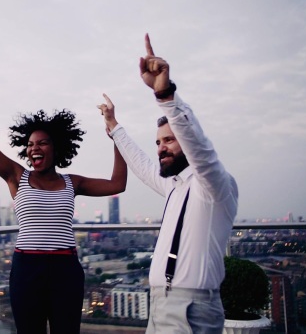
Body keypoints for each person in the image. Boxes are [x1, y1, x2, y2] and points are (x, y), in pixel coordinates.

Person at [0, 73, 127, 334]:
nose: (34, 148)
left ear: (56, 147)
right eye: (30, 144)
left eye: (42, 143)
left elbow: (117, 184)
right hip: (27, 269)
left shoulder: (72, 182)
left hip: (66, 269)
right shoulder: (16, 176)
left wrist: (116, 135)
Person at [98, 34, 238, 333]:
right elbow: (142, 165)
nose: (161, 147)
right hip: (161, 304)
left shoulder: (213, 185)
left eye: (170, 140)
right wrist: (114, 126)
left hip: (191, 308)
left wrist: (166, 97)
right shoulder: (175, 186)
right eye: (159, 142)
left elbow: (200, 148)